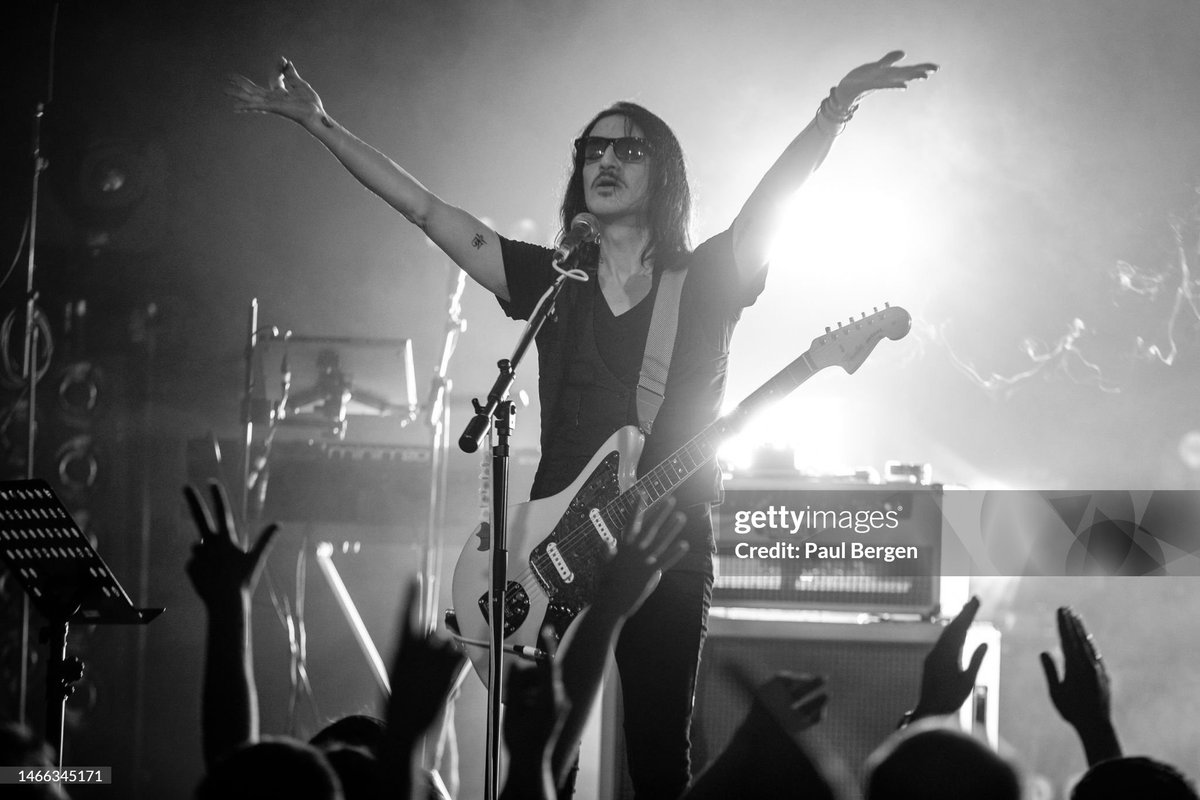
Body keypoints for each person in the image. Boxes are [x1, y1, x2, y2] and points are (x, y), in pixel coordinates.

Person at [227, 50, 937, 797]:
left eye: (627, 148)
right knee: (541, 760)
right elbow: (427, 209)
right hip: (546, 553)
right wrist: (321, 123)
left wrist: (834, 109)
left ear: (663, 172)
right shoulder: (553, 279)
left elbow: (774, 200)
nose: (605, 159)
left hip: (667, 544)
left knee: (659, 755)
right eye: (593, 149)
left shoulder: (709, 278)